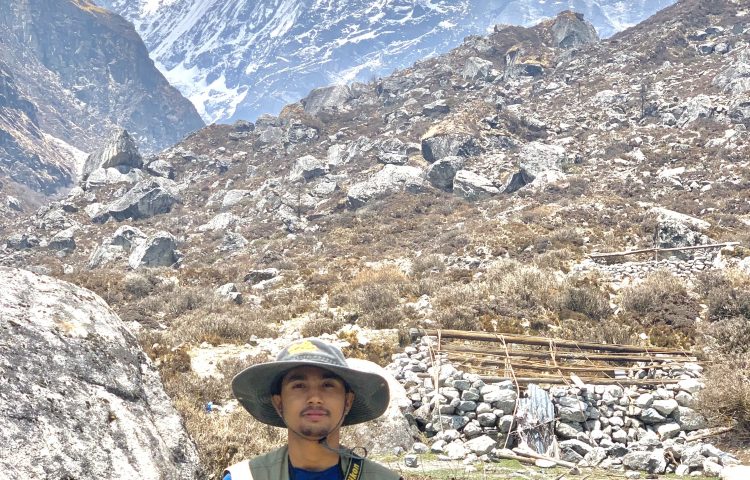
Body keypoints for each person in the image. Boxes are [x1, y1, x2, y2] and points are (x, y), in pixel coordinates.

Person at [223, 338, 402, 480]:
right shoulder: (244, 477)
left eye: (328, 385)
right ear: (279, 403)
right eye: (299, 385)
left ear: (347, 401)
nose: (315, 398)